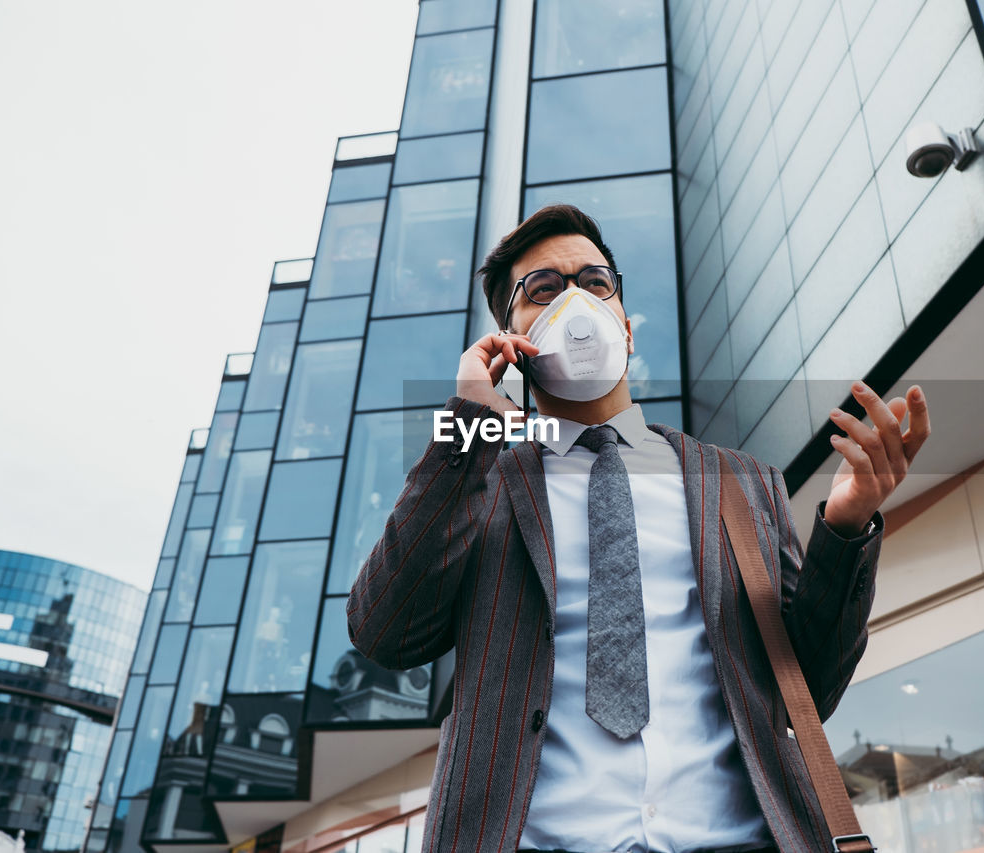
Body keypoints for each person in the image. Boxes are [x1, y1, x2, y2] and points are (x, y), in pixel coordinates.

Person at [347, 204, 931, 853]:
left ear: (625, 324)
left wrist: (846, 524)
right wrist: (467, 427)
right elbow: (384, 631)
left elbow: (811, 685)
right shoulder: (477, 486)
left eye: (595, 282)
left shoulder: (739, 483)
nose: (575, 300)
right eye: (542, 289)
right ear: (509, 342)